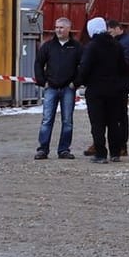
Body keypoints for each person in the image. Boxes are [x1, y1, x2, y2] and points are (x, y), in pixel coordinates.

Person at [77, 16, 129, 163]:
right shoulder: (116, 45)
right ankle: (115, 152)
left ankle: (100, 153)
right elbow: (123, 67)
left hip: (96, 90)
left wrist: (79, 82)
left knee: (97, 123)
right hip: (114, 90)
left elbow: (85, 68)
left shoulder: (91, 46)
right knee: (113, 122)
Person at [33, 17, 82, 160]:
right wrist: (43, 82)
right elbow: (38, 64)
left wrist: (76, 83)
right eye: (56, 27)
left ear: (68, 29)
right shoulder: (48, 46)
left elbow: (83, 66)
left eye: (61, 27)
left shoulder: (77, 47)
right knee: (47, 119)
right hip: (51, 88)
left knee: (67, 121)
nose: (58, 30)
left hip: (68, 88)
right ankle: (43, 149)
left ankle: (64, 150)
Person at [108, 19, 129, 161]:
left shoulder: (127, 42)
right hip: (118, 83)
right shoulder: (123, 41)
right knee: (117, 116)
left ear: (118, 28)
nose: (110, 34)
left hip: (121, 84)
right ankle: (119, 144)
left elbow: (127, 63)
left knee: (120, 116)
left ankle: (122, 145)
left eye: (111, 31)